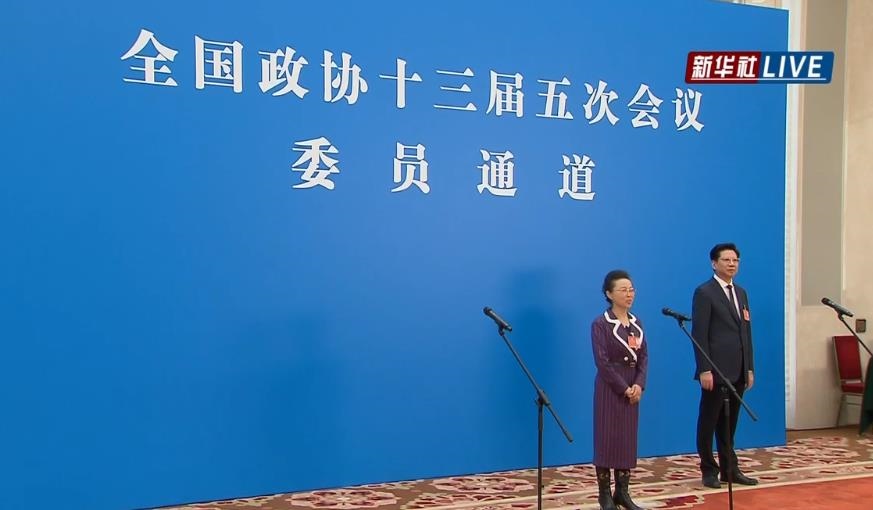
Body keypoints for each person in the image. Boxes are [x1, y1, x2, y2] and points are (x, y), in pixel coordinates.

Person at [691, 243, 758, 489]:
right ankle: (709, 469)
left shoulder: (741, 293)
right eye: (726, 260)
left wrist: (749, 368)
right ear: (714, 263)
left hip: (738, 369)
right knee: (709, 421)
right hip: (715, 370)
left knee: (729, 424)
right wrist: (704, 369)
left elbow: (746, 333)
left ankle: (730, 469)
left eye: (735, 260)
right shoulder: (704, 292)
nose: (732, 264)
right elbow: (699, 333)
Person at [591, 270, 648, 510]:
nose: (629, 294)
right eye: (623, 290)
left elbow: (643, 357)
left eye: (631, 289)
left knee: (626, 439)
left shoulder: (636, 323)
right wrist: (624, 388)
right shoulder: (601, 324)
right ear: (609, 293)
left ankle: (622, 492)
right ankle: (604, 494)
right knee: (607, 438)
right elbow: (602, 362)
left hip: (632, 385)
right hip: (610, 387)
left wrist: (638, 384)